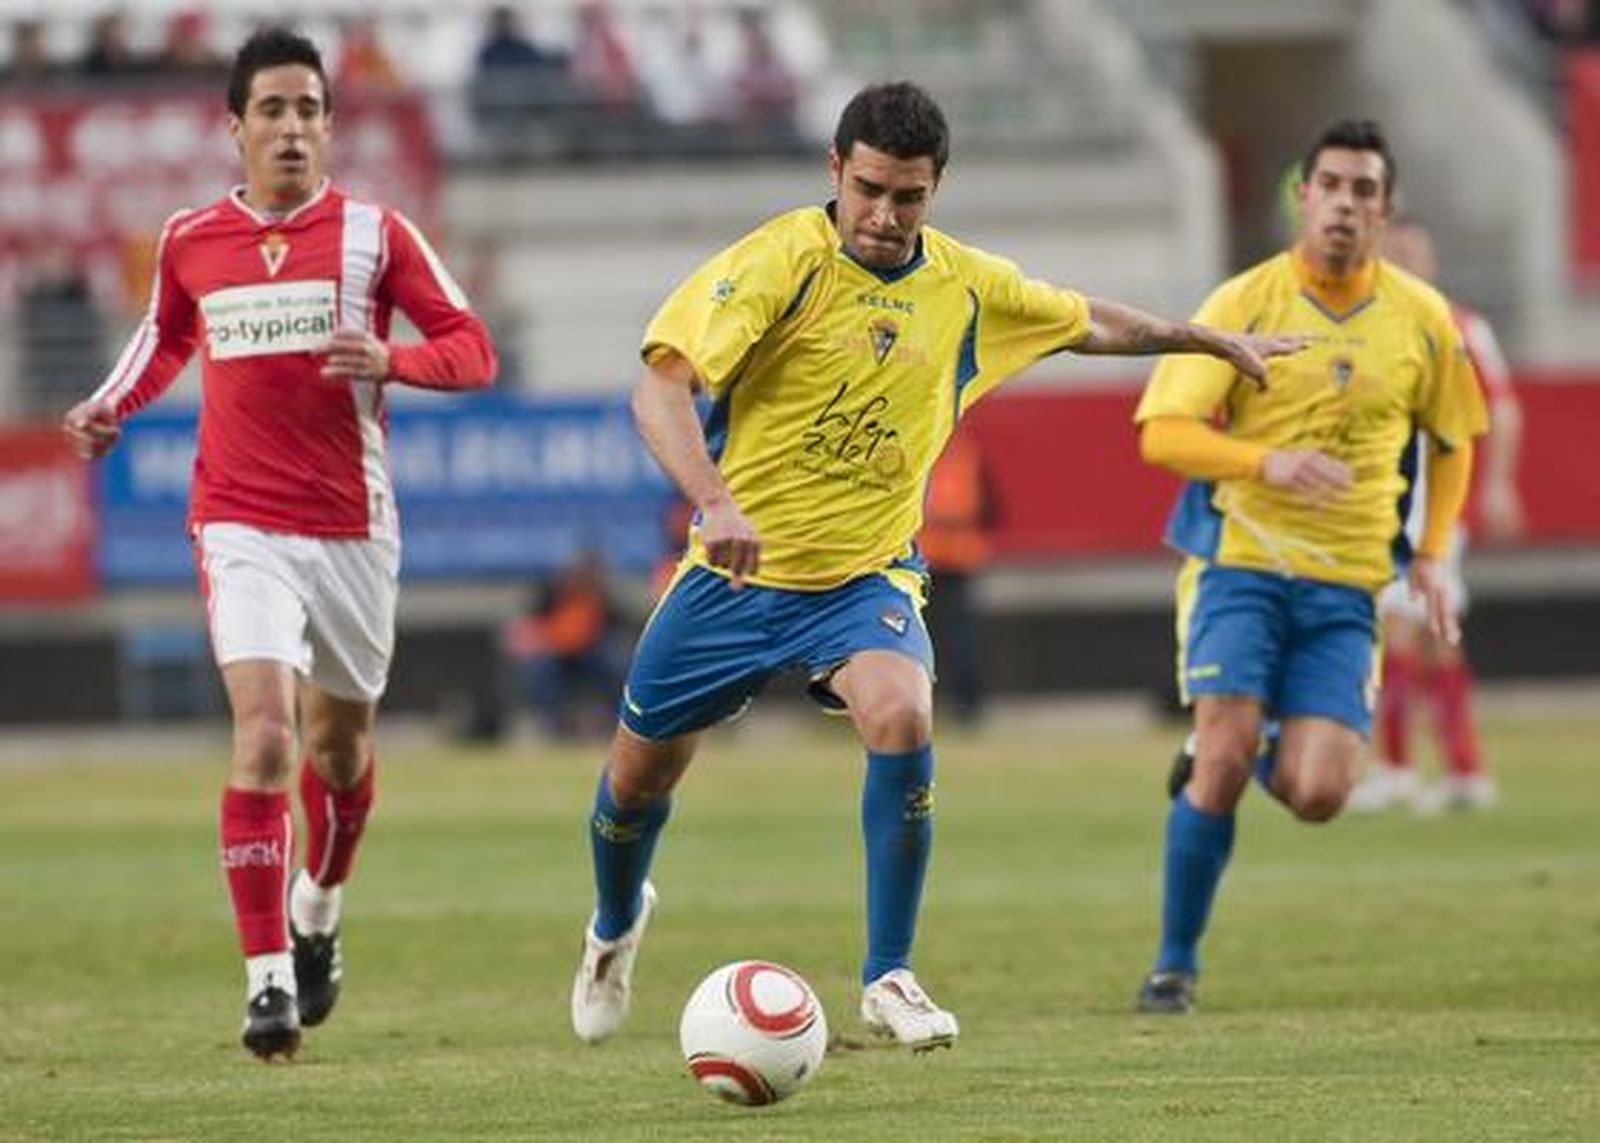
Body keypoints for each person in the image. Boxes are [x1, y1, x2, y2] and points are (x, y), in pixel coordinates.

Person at [567, 80, 1304, 1052]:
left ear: (936, 189)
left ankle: (890, 975)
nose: (882, 215)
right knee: (635, 785)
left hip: (864, 577)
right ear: (834, 170)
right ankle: (614, 928)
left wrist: (1200, 336)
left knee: (902, 713)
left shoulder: (963, 286)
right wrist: (714, 500)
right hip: (735, 574)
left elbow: (1089, 322)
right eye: (867, 189)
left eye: (906, 197)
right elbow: (657, 393)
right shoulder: (775, 263)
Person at [61, 27, 497, 1061]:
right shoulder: (190, 239)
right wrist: (108, 405)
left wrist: (388, 358)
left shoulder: (376, 236)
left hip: (350, 527)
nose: (292, 128)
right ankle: (266, 985)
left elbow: (471, 350)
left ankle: (320, 909)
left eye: (309, 109)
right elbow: (167, 335)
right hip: (238, 520)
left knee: (341, 753)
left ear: (330, 128)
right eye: (273, 110)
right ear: (237, 127)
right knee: (263, 736)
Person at [1131, 119, 1489, 1015]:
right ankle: (1173, 965)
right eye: (1329, 184)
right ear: (1304, 196)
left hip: (1346, 584)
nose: (1343, 204)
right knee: (1222, 748)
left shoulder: (1422, 319)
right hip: (1240, 564)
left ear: (1384, 207)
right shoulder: (1243, 302)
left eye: (1363, 190)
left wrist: (1435, 550)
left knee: (1321, 793)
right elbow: (1163, 431)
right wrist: (1264, 462)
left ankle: (1248, 747)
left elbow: (1455, 439)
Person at [1348, 217, 1525, 814]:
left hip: (1430, 509)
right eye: (1393, 253)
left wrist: (1497, 485)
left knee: (1401, 630)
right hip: (1380, 503)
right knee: (1426, 638)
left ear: (1430, 260)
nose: (1404, 262)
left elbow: (1502, 409)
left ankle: (1400, 768)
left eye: (1412, 253)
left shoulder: (1461, 327)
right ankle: (1461, 771)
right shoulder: (1367, 326)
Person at [502, 552, 626, 740]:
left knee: (616, 666)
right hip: (556, 654)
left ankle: (618, 722)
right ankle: (550, 722)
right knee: (540, 671)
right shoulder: (550, 594)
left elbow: (617, 628)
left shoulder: (601, 597)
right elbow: (528, 626)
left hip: (589, 655)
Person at [918, 425, 995, 726]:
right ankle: (967, 705)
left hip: (920, 560)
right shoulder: (968, 455)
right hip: (960, 561)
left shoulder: (918, 451)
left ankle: (923, 704)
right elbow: (991, 509)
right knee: (962, 639)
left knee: (916, 638)